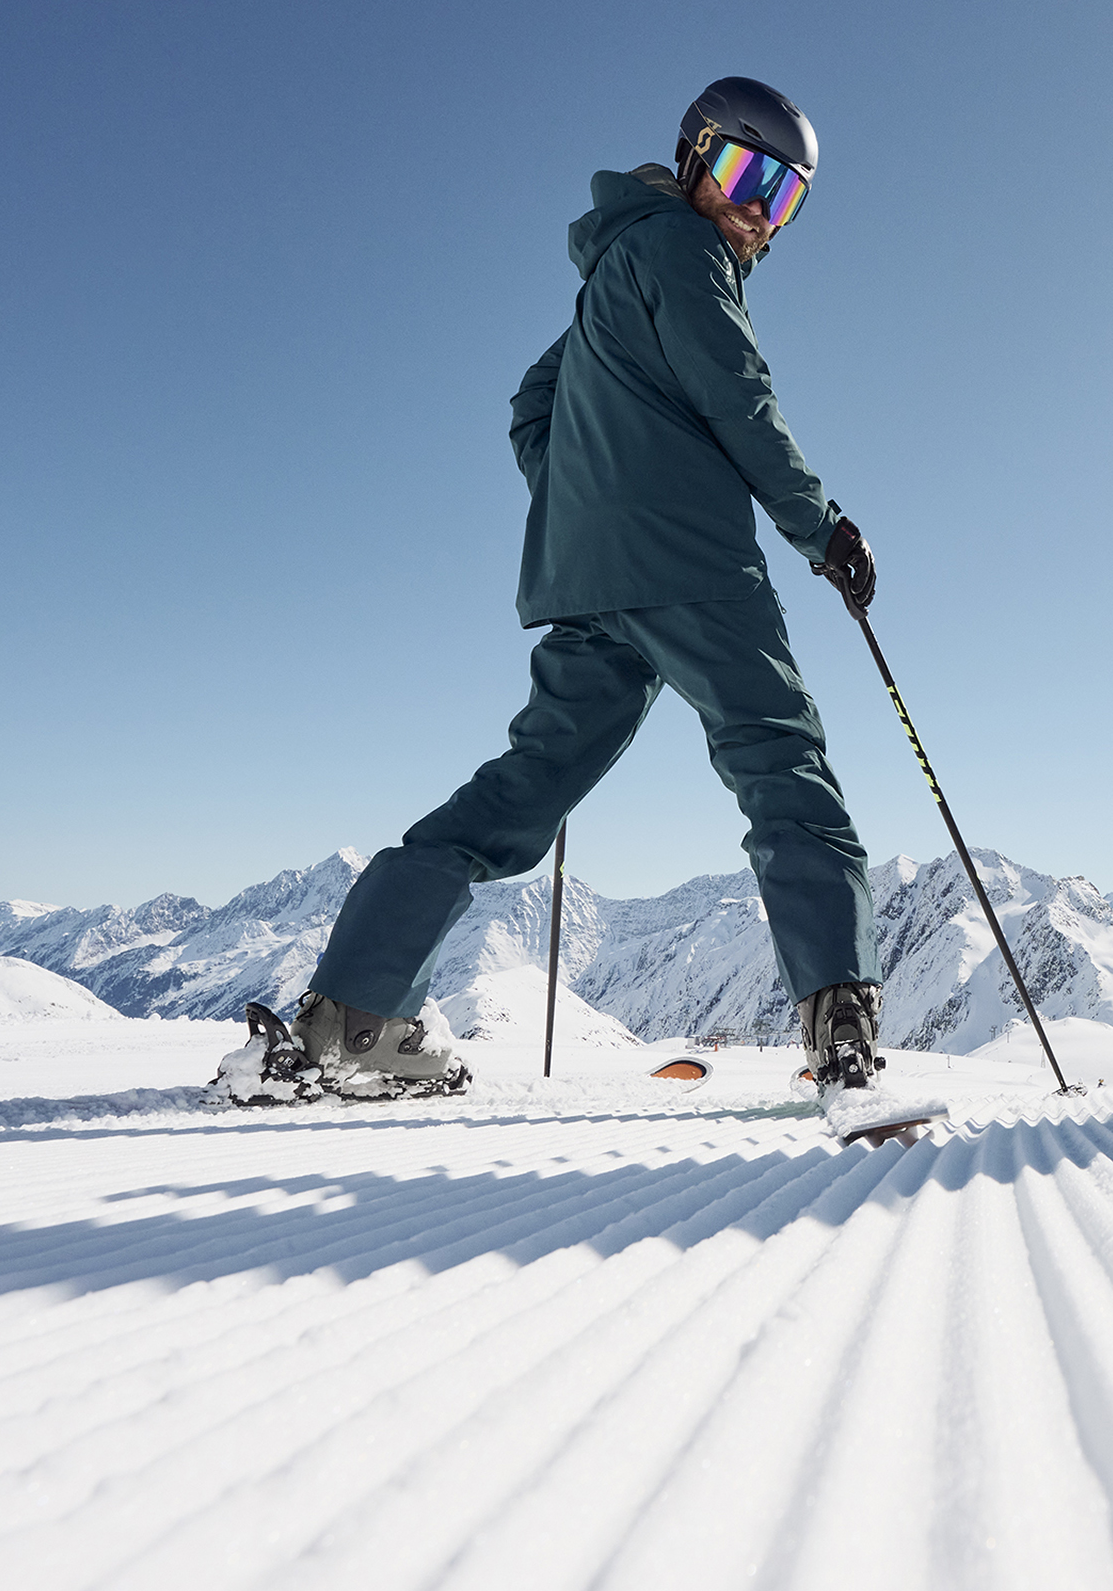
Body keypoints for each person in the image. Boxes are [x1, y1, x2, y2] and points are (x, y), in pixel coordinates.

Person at [224, 77, 890, 1104]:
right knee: (778, 760)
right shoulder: (685, 255)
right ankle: (839, 1027)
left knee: (518, 795)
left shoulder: (614, 272)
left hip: (590, 581)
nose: (758, 207)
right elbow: (740, 403)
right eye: (742, 173)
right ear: (692, 157)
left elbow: (534, 408)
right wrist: (823, 529)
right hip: (694, 567)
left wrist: (593, 502)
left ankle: (347, 1020)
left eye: (783, 193)